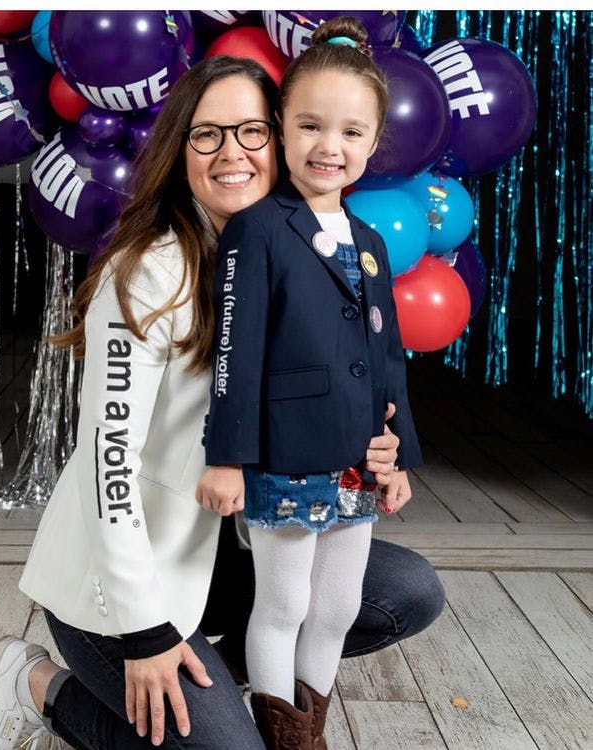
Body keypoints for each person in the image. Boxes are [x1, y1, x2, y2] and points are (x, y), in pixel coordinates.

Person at [0, 54, 443, 750]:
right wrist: (146, 630)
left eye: (250, 132)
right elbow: (109, 464)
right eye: (206, 135)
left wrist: (381, 443)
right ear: (179, 149)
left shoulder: (307, 248)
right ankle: (39, 685)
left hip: (228, 553)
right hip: (121, 584)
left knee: (401, 590)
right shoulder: (147, 274)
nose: (232, 154)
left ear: (276, 141)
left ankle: (212, 691)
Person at [197, 17, 422, 750]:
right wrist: (227, 456)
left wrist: (400, 453)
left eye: (352, 133)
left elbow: (387, 360)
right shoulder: (258, 229)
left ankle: (308, 730)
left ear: (373, 142)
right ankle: (286, 739)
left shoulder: (372, 243)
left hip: (358, 454)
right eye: (311, 126)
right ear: (283, 130)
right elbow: (235, 352)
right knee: (285, 601)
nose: (331, 146)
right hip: (285, 454)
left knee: (337, 606)